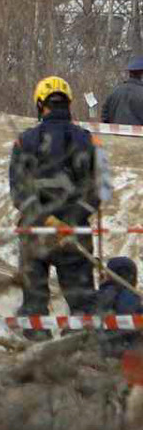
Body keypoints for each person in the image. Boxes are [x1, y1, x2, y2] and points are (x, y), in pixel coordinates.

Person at [10, 76, 112, 322]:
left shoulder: (24, 141)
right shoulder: (90, 141)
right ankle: (81, 351)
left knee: (34, 307)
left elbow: (19, 192)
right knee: (82, 306)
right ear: (68, 104)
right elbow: (100, 190)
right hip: (74, 232)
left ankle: (35, 345)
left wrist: (46, 218)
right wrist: (71, 220)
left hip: (35, 231)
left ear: (40, 105)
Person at [92, 257, 143, 358]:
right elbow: (130, 322)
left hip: (101, 349)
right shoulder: (127, 296)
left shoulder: (100, 293)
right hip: (124, 352)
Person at [105, 56, 143, 126]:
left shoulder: (114, 92)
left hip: (114, 136)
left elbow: (105, 117)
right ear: (141, 74)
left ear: (130, 73)